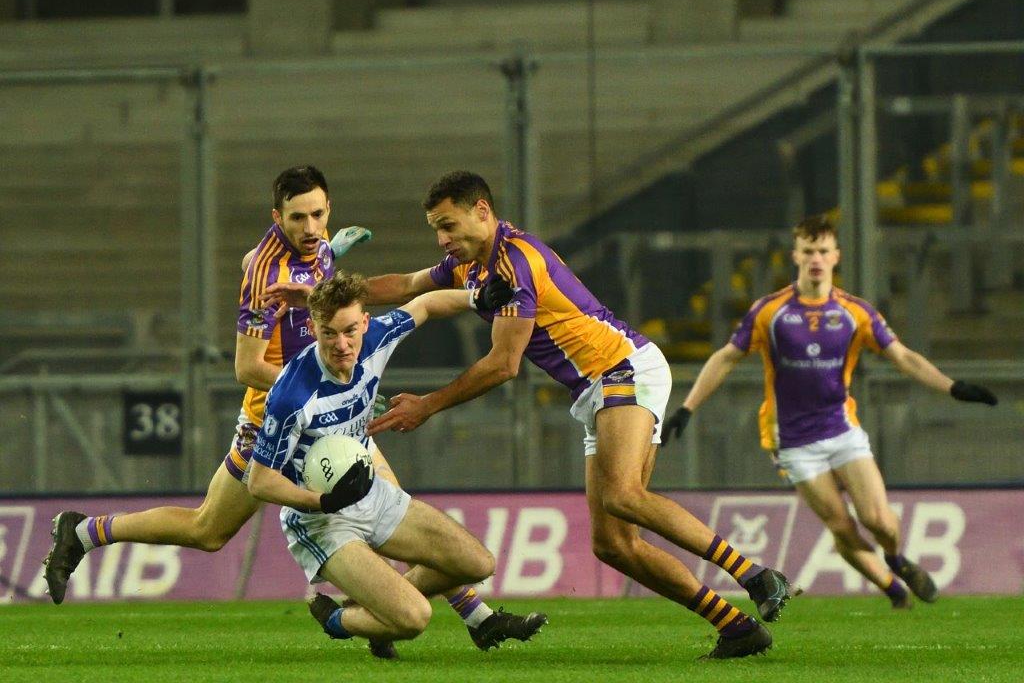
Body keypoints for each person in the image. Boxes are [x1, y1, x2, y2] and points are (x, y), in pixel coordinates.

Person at [353, 171, 791, 659]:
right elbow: (408, 285)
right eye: (437, 228)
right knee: (613, 545)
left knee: (624, 496)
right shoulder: (471, 265)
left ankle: (753, 573)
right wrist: (333, 293)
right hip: (594, 389)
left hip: (622, 368)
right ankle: (735, 628)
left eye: (449, 226)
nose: (443, 239)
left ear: (482, 211)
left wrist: (427, 405)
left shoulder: (517, 264)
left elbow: (503, 365)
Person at [661, 214, 998, 609]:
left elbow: (903, 357)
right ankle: (892, 589)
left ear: (836, 256)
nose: (816, 258)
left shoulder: (856, 313)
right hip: (793, 442)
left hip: (842, 430)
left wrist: (952, 387)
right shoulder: (770, 312)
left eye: (823, 250)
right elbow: (726, 357)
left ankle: (894, 558)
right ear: (796, 256)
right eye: (808, 251)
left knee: (880, 522)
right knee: (841, 526)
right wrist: (686, 407)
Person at [44, 166, 345, 605]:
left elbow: (274, 269)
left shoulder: (317, 247)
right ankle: (84, 531)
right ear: (276, 218)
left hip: (318, 415)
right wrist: (321, 389)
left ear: (328, 208)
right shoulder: (265, 272)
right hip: (274, 419)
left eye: (317, 214)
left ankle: (439, 612)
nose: (311, 227)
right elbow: (247, 368)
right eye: (298, 218)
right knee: (208, 530)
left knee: (374, 497)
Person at [247, 270, 547, 654]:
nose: (342, 344)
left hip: (371, 495)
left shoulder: (376, 338)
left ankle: (354, 612)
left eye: (350, 330)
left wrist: (477, 299)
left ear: (365, 323)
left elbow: (424, 304)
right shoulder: (291, 395)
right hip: (320, 521)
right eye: (329, 334)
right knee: (414, 619)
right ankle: (352, 618)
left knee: (478, 564)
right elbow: (260, 481)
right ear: (313, 327)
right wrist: (323, 502)